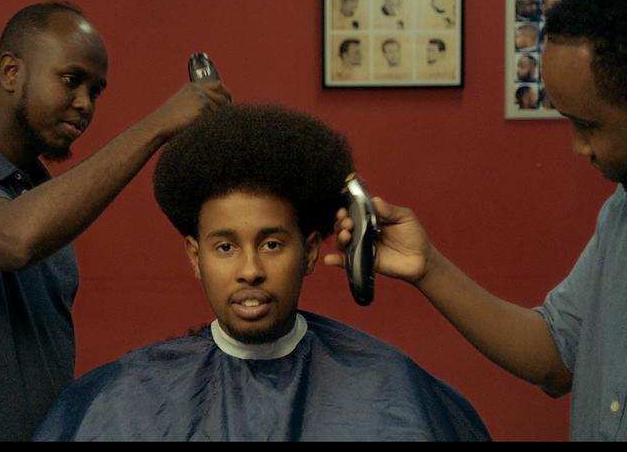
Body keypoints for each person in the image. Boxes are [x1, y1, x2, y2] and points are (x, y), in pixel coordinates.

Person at [0, 1, 231, 441]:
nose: (84, 105)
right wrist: (158, 126)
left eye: (95, 91)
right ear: (11, 72)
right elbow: (13, 238)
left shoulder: (44, 200)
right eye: (71, 80)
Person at [33, 104, 491, 442]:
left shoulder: (390, 389)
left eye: (272, 244)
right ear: (195, 257)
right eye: (226, 247)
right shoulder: (124, 399)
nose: (250, 270)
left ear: (310, 252)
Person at [326, 0, 627, 441]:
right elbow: (555, 356)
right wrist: (427, 268)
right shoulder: (619, 215)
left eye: (589, 125)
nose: (577, 148)